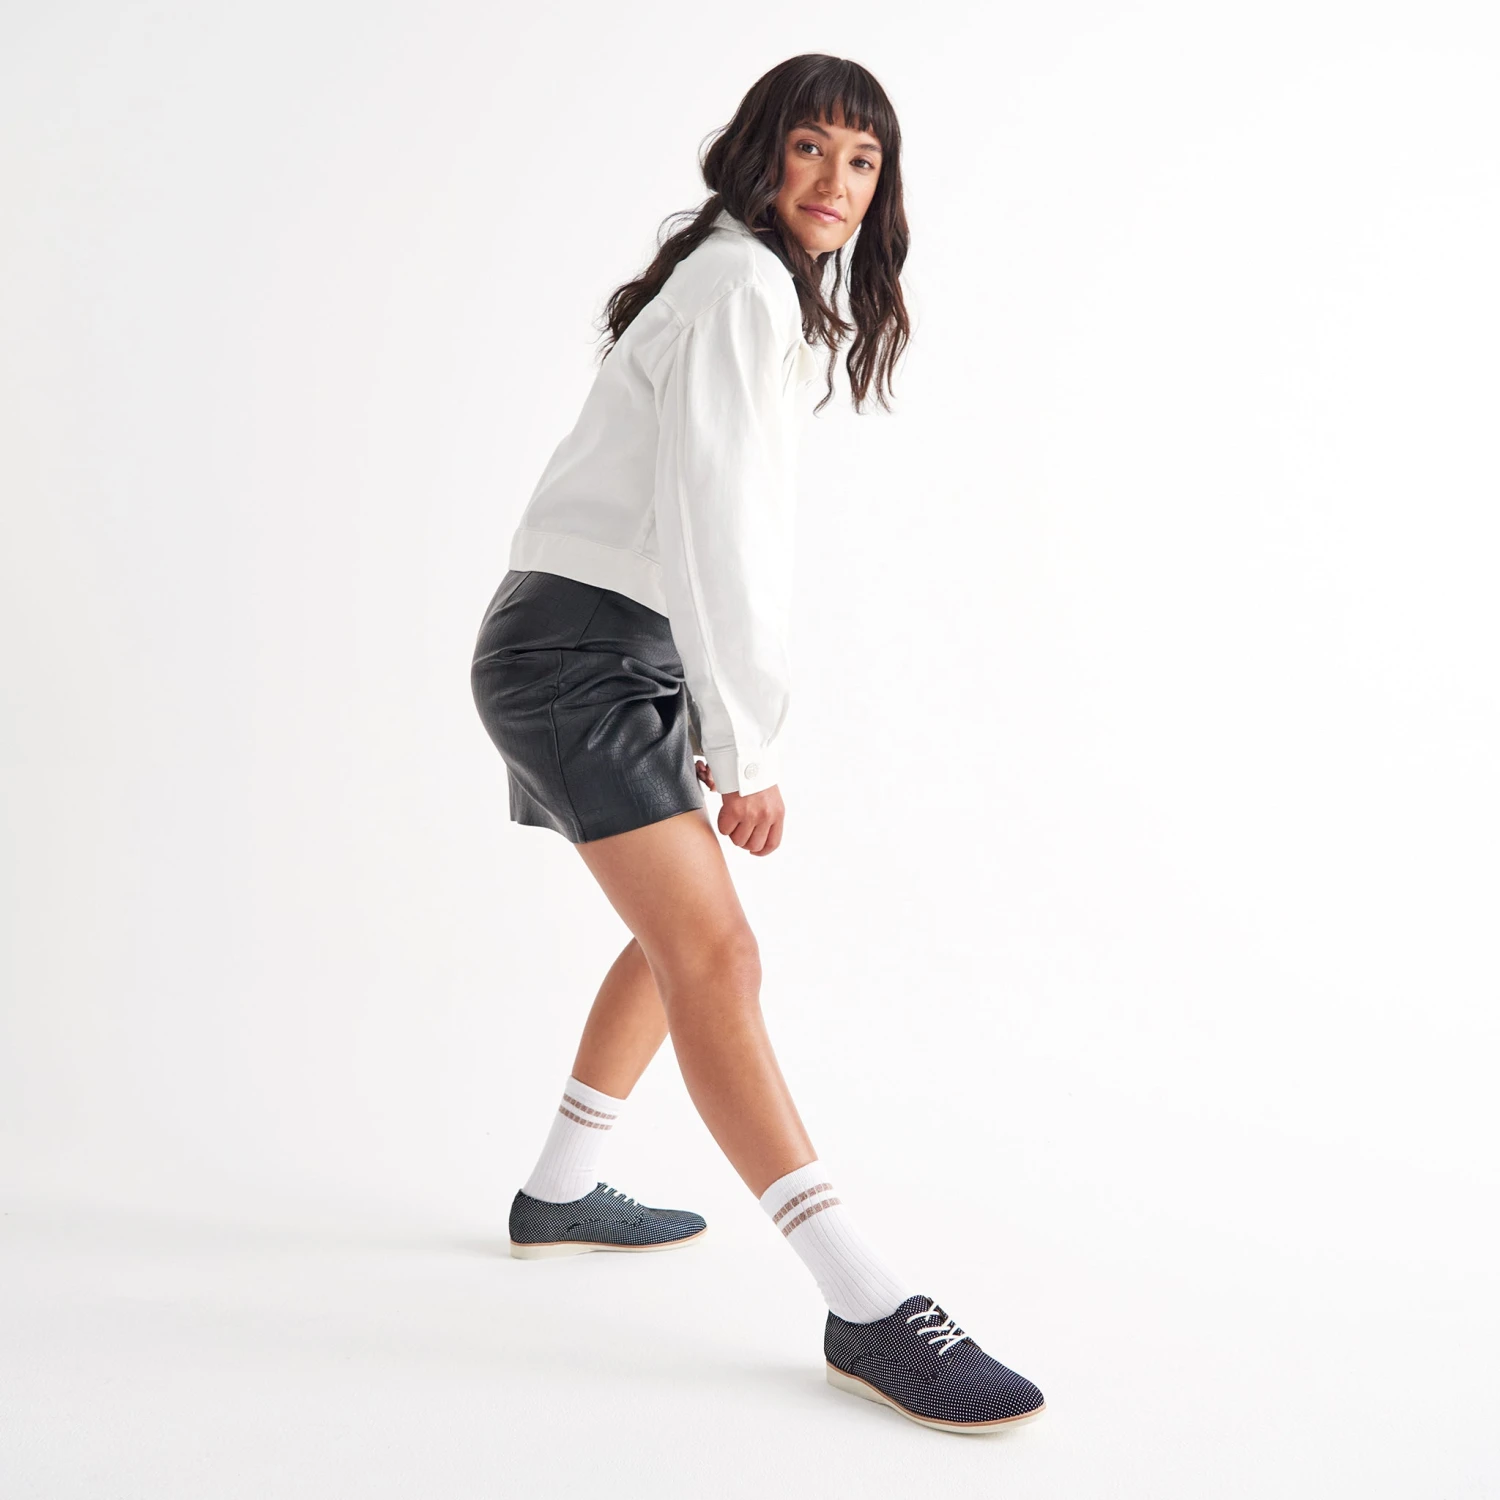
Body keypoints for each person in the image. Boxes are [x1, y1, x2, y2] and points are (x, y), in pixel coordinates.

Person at [470, 54, 1045, 1434]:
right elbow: (717, 525)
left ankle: (559, 1191)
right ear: (760, 154)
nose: (836, 182)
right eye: (810, 148)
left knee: (680, 938)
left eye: (863, 160)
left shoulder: (753, 286)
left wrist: (705, 697)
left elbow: (701, 525)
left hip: (603, 642)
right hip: (582, 652)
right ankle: (865, 1303)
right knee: (717, 955)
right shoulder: (739, 283)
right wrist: (749, 744)